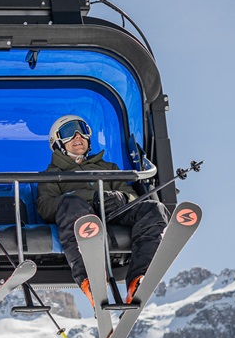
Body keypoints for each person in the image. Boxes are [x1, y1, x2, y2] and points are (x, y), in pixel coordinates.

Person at [37, 114, 169, 308]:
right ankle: (91, 280)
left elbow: (131, 195)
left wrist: (120, 198)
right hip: (78, 219)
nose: (77, 136)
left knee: (153, 209)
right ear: (57, 143)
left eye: (82, 130)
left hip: (113, 214)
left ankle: (139, 279)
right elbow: (45, 207)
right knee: (71, 205)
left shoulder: (108, 168)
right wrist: (78, 198)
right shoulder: (51, 176)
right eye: (68, 133)